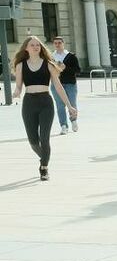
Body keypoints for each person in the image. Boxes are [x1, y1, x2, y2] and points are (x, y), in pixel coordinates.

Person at [13, 36, 77, 181]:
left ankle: (44, 167)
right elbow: (18, 86)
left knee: (44, 138)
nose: (36, 47)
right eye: (32, 45)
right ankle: (45, 157)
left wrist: (69, 105)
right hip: (29, 103)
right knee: (33, 141)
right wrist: (16, 92)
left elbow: (58, 86)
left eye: (38, 45)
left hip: (45, 103)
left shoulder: (48, 64)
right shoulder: (20, 65)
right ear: (26, 48)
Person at [50, 37, 80, 135]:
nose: (57, 45)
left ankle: (74, 121)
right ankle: (64, 126)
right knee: (60, 106)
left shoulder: (71, 56)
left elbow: (78, 70)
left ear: (63, 43)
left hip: (70, 84)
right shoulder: (51, 57)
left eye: (59, 43)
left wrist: (65, 68)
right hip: (56, 84)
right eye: (55, 43)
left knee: (72, 104)